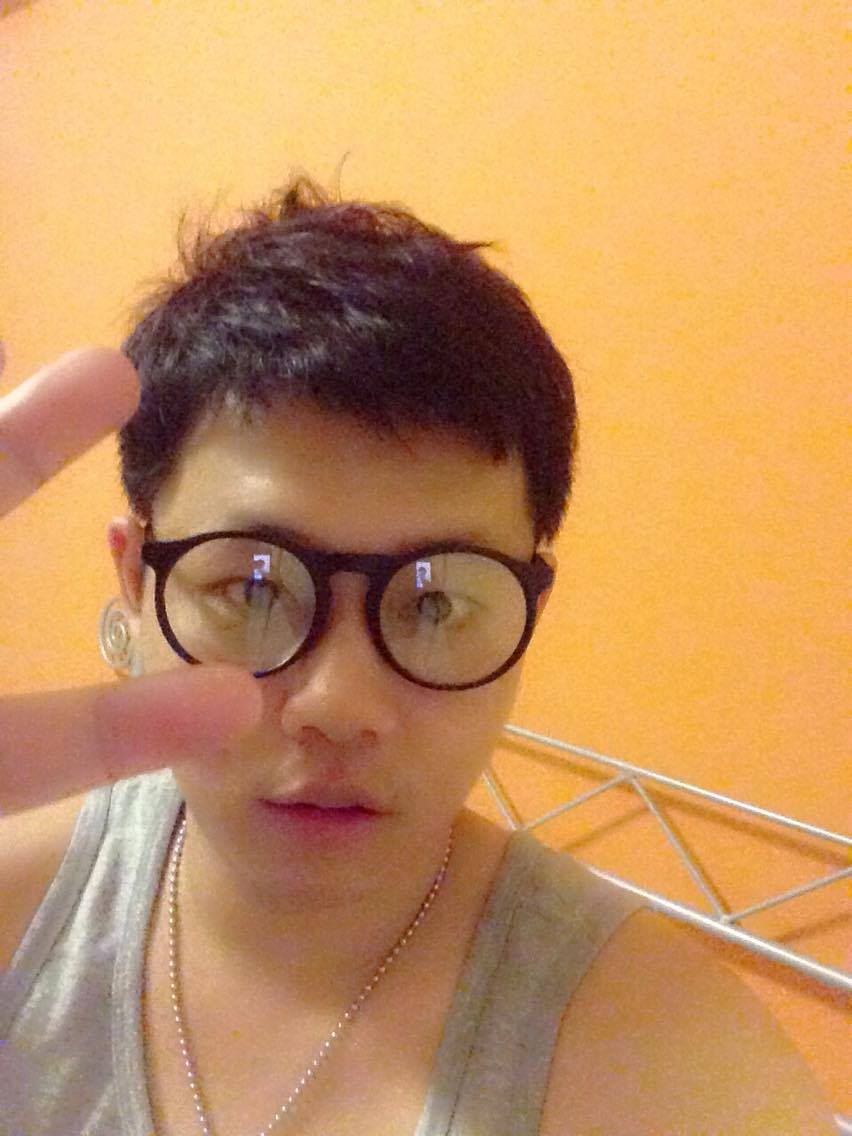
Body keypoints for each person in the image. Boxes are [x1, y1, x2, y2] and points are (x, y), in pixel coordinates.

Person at [0, 177, 836, 1135]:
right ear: (137, 580)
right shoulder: (22, 905)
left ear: (529, 611)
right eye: (255, 587)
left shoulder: (661, 1058)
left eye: (436, 602)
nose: (340, 704)